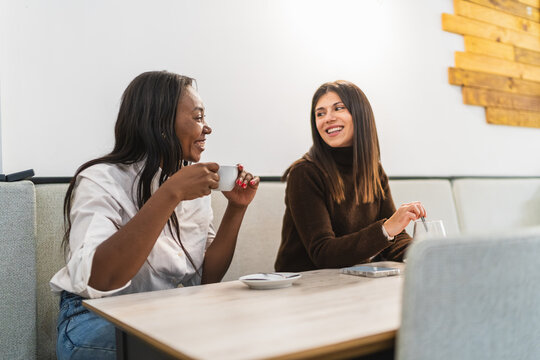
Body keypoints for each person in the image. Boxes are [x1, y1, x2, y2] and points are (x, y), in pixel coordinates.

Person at [50, 71, 259, 359]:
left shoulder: (189, 184)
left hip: (160, 311)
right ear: (160, 125)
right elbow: (100, 280)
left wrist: (237, 208)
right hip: (94, 315)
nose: (207, 128)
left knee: (248, 331)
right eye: (198, 117)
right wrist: (170, 194)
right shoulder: (101, 179)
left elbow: (207, 277)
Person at [274, 80, 425, 272]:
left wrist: (426, 255)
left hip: (353, 280)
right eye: (320, 113)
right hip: (305, 286)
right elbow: (323, 253)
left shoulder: (374, 171)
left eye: (338, 108)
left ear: (360, 115)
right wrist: (385, 229)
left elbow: (394, 240)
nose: (327, 118)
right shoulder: (304, 173)